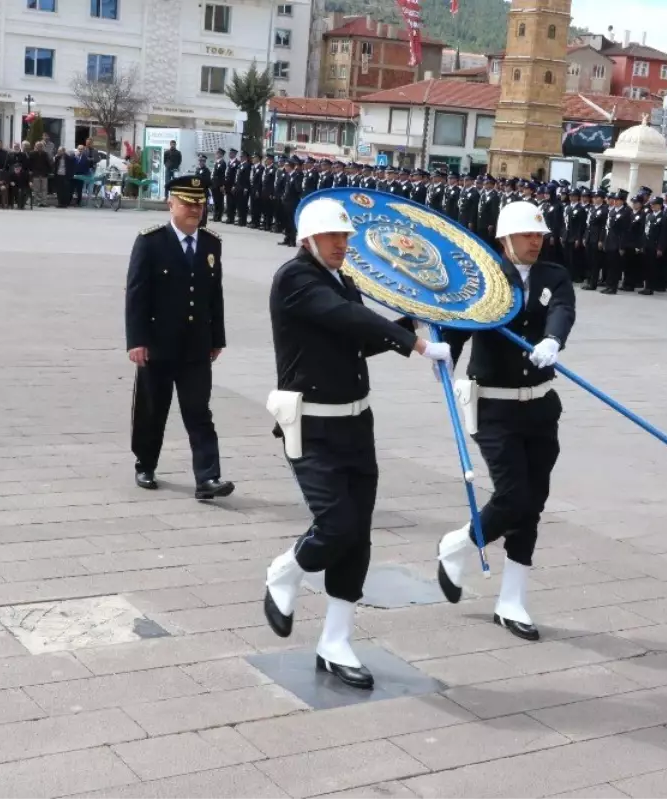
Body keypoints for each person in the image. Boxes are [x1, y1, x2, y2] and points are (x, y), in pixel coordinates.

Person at [261, 197, 454, 690]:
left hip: (355, 423)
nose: (342, 245)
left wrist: (412, 320)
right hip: (313, 425)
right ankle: (286, 571)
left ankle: (336, 639)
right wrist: (417, 344)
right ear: (309, 238)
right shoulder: (295, 279)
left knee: (358, 535)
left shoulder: (341, 281)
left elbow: (364, 339)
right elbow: (348, 320)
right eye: (333, 237)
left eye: (345, 238)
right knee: (337, 523)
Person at [437, 201, 576, 642]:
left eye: (540, 235)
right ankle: (460, 543)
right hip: (494, 406)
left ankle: (511, 599)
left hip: (540, 405)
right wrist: (444, 355)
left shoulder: (554, 275)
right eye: (527, 235)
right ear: (504, 239)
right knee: (513, 495)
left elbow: (563, 310)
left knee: (533, 502)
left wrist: (553, 339)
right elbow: (456, 325)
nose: (536, 241)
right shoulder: (484, 279)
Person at [125, 175, 234, 500]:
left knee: (199, 412)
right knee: (152, 410)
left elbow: (215, 295)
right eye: (188, 202)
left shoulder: (211, 243)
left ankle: (208, 478)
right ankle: (145, 464)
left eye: (200, 203)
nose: (195, 209)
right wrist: (136, 340)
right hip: (157, 344)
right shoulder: (151, 241)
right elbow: (136, 295)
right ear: (171, 203)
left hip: (196, 347)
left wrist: (218, 337)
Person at [638, 196, 665, 295]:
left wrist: (660, 248)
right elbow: (644, 231)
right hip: (647, 244)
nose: (652, 206)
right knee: (646, 266)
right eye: (651, 204)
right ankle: (646, 286)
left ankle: (650, 287)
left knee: (652, 267)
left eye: (655, 204)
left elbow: (663, 234)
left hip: (655, 245)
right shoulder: (649, 215)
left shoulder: (663, 216)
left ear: (660, 205)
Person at [211, 148, 228, 223]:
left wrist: (222, 185)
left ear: (221, 154)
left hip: (219, 184)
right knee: (215, 201)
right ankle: (215, 215)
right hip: (214, 184)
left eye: (218, 153)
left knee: (219, 201)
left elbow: (222, 175)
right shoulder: (216, 162)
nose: (216, 154)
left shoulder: (222, 163)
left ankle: (219, 216)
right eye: (216, 153)